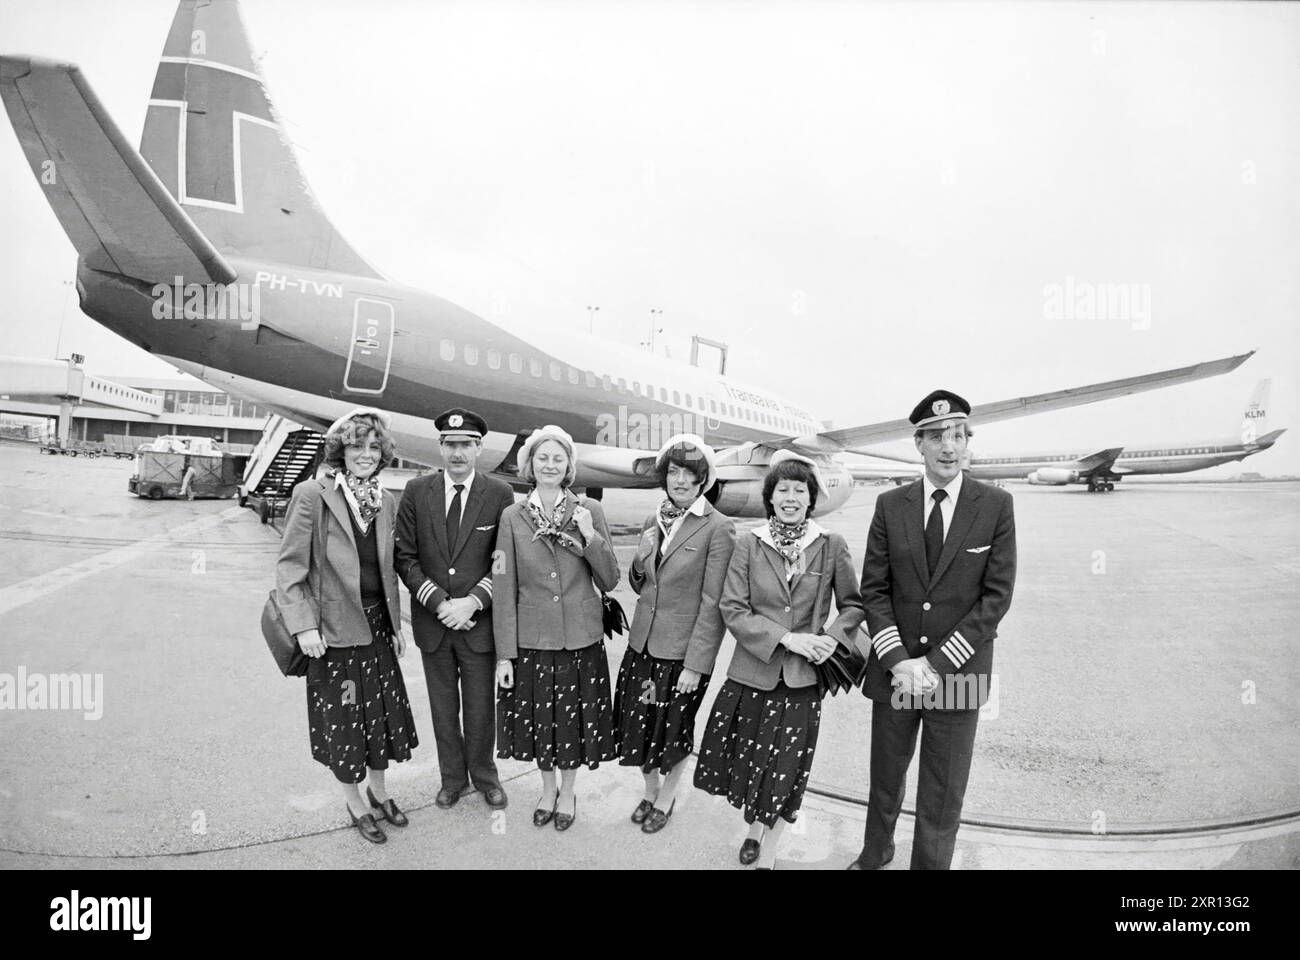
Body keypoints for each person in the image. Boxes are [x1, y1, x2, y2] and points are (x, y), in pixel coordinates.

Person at [848, 390, 1016, 871]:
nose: (950, 445)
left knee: (943, 789)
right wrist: (900, 661)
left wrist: (936, 665)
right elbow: (874, 590)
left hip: (957, 675)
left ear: (969, 443)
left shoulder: (996, 505)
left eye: (959, 435)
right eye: (938, 435)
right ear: (917, 443)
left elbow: (995, 598)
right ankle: (875, 853)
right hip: (898, 673)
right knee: (886, 776)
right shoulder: (889, 505)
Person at [694, 451, 864, 869]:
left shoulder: (830, 546)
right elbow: (732, 607)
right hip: (753, 671)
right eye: (783, 490)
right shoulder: (749, 543)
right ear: (770, 497)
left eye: (800, 491)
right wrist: (788, 638)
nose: (791, 498)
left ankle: (769, 849)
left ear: (812, 499)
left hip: (803, 679)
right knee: (751, 761)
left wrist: (828, 639)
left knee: (786, 767)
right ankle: (754, 827)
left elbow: (854, 607)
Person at [275, 407, 418, 845]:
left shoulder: (384, 499)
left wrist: (397, 625)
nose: (366, 454)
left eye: (375, 447)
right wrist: (303, 627)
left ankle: (379, 792)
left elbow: (386, 569)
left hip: (377, 628)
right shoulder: (312, 494)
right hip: (332, 635)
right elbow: (289, 567)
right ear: (341, 449)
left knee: (380, 719)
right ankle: (354, 801)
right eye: (357, 445)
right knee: (345, 722)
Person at [493, 425, 620, 832]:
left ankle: (568, 790)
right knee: (542, 722)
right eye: (542, 457)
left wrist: (589, 535)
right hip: (533, 638)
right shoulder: (511, 517)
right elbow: (502, 583)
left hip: (580, 637)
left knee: (573, 723)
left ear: (569, 466)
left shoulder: (589, 511)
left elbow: (610, 578)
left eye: (558, 458)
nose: (550, 464)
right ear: (530, 464)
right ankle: (546, 790)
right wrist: (504, 655)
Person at [395, 408, 514, 811]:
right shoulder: (416, 491)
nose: (458, 453)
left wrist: (473, 602)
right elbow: (405, 556)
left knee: (481, 709)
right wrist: (438, 602)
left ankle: (485, 777)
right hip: (435, 623)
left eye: (466, 445)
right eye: (450, 444)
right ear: (440, 447)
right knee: (443, 709)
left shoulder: (499, 494)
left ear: (479, 448)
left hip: (477, 624)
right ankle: (451, 780)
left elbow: (503, 559)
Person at [615, 434, 735, 834]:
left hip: (680, 657)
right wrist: (638, 558)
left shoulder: (718, 528)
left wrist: (696, 665)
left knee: (674, 728)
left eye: (689, 474)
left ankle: (666, 797)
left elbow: (713, 603)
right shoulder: (653, 521)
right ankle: (650, 789)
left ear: (704, 481)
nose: (679, 480)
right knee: (639, 723)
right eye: (673, 472)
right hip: (643, 648)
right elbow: (641, 585)